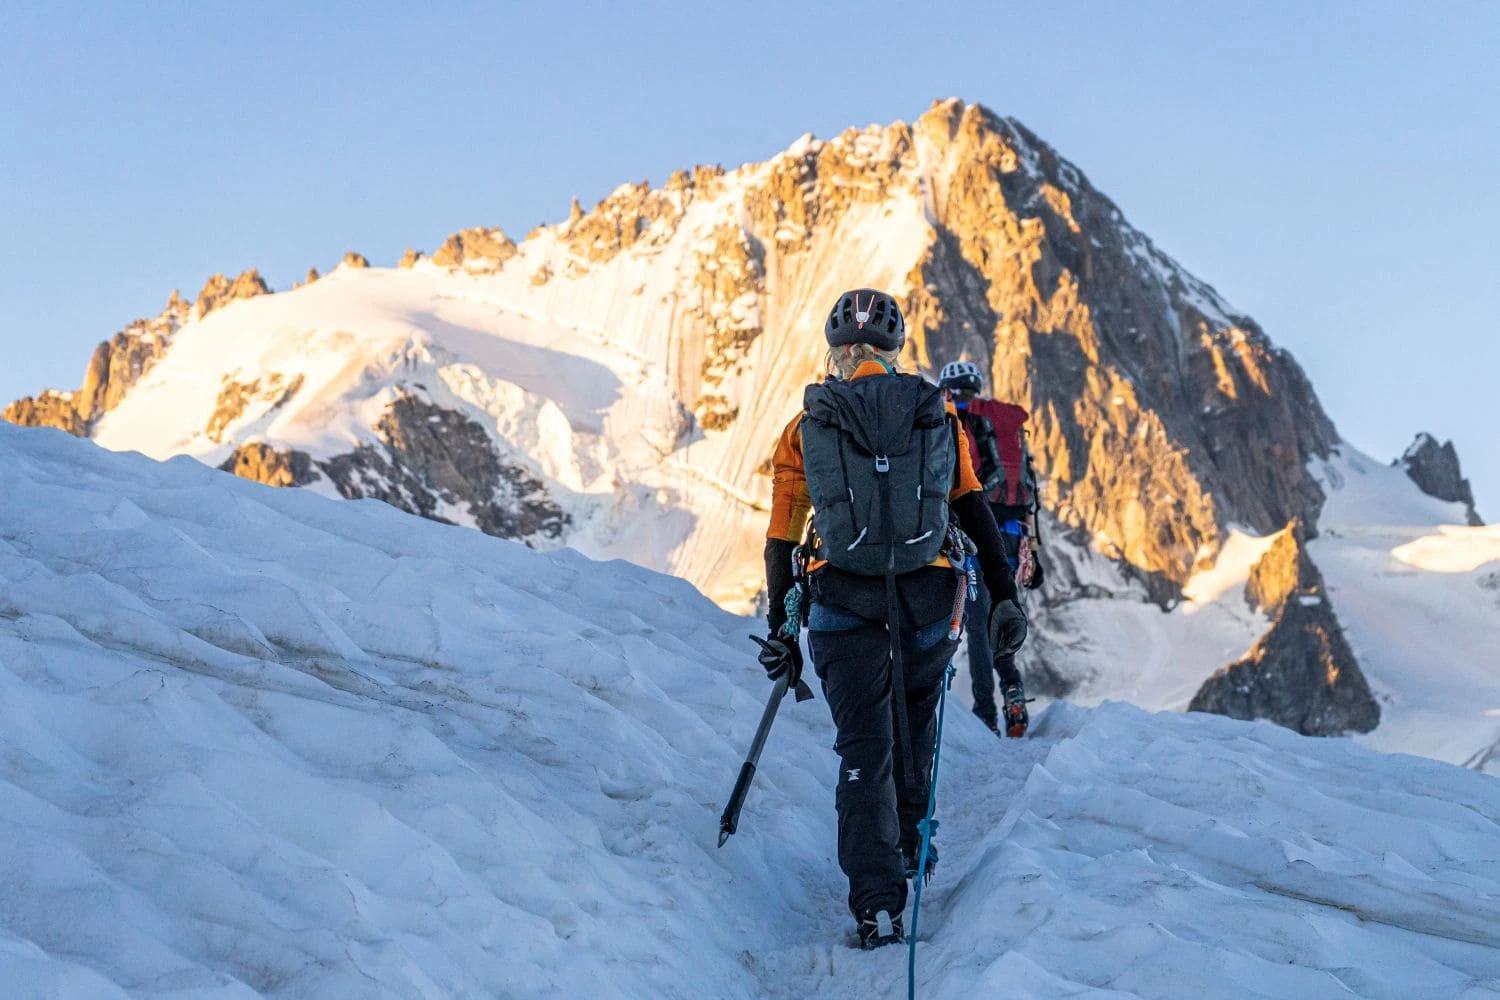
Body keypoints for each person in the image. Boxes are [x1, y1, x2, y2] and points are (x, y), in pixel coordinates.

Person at [756, 290, 1028, 949]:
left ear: (837, 354)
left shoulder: (804, 426)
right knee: (914, 724)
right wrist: (1005, 594)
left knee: (863, 746)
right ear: (893, 352)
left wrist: (782, 629)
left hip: (842, 600)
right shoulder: (936, 415)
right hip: (931, 596)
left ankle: (878, 904)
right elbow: (971, 508)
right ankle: (911, 845)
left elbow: (782, 537)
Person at [936, 360, 1046, 738]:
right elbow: (1028, 493)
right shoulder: (1005, 424)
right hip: (1015, 537)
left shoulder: (957, 420)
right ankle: (1012, 693)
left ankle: (985, 714)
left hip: (977, 534)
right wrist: (1035, 550)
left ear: (948, 389)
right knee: (1000, 612)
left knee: (980, 625)